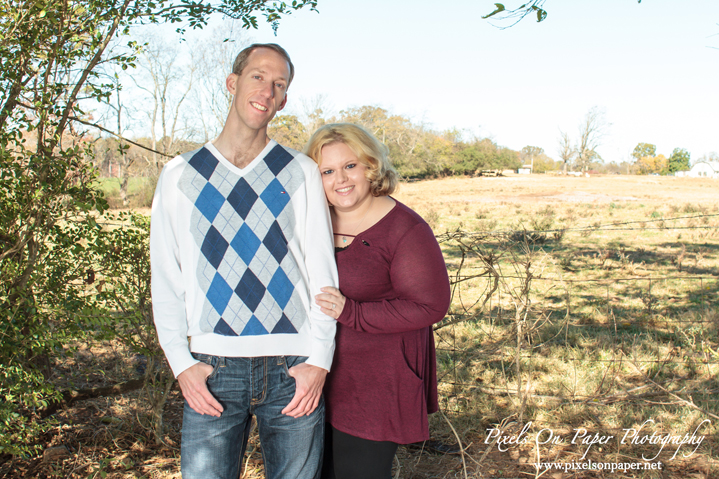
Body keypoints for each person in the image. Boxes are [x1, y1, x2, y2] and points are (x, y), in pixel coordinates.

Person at [150, 43, 337, 479]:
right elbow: (166, 278)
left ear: (284, 100)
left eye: (279, 84)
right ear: (233, 83)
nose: (267, 90)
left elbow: (323, 276)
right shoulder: (181, 175)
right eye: (258, 77)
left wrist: (320, 362)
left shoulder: (300, 171)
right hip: (212, 368)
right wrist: (181, 364)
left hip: (292, 366)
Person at [304, 123, 451, 479]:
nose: (341, 179)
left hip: (377, 380)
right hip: (315, 375)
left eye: (350, 166)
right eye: (327, 170)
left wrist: (351, 312)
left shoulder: (404, 228)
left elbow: (431, 305)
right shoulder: (312, 222)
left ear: (371, 166)